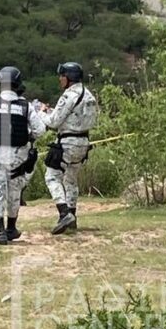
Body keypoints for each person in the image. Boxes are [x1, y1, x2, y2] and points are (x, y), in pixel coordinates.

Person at [0, 66, 45, 245]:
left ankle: (0, 232)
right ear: (17, 84)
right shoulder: (26, 107)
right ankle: (11, 228)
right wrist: (28, 136)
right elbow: (40, 130)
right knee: (14, 192)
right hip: (19, 157)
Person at [40, 62, 99, 235]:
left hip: (67, 142)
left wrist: (41, 112)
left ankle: (64, 212)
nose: (60, 79)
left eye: (62, 76)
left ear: (69, 77)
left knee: (52, 176)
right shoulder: (88, 95)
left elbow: (53, 122)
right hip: (83, 142)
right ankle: (72, 215)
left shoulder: (69, 95)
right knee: (71, 179)